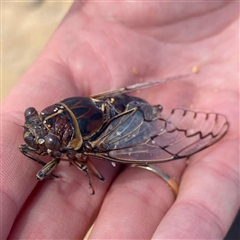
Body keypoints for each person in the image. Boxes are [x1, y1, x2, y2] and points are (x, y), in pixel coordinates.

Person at [1, 2, 239, 239]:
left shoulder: (83, 146)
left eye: (50, 140)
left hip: (123, 130)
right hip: (113, 103)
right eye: (32, 117)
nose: (38, 133)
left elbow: (85, 165)